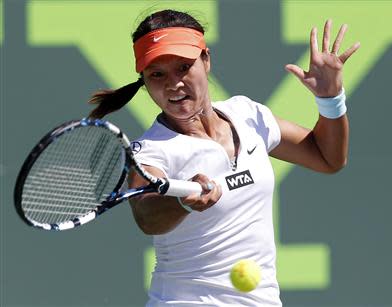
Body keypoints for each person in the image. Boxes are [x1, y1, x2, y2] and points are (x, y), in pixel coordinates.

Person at [89, 9, 359, 307]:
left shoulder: (247, 114)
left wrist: (330, 99)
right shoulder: (151, 150)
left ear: (206, 60)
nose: (173, 83)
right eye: (157, 74)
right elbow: (146, 214)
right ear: (144, 80)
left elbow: (328, 158)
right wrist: (181, 201)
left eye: (183, 67)